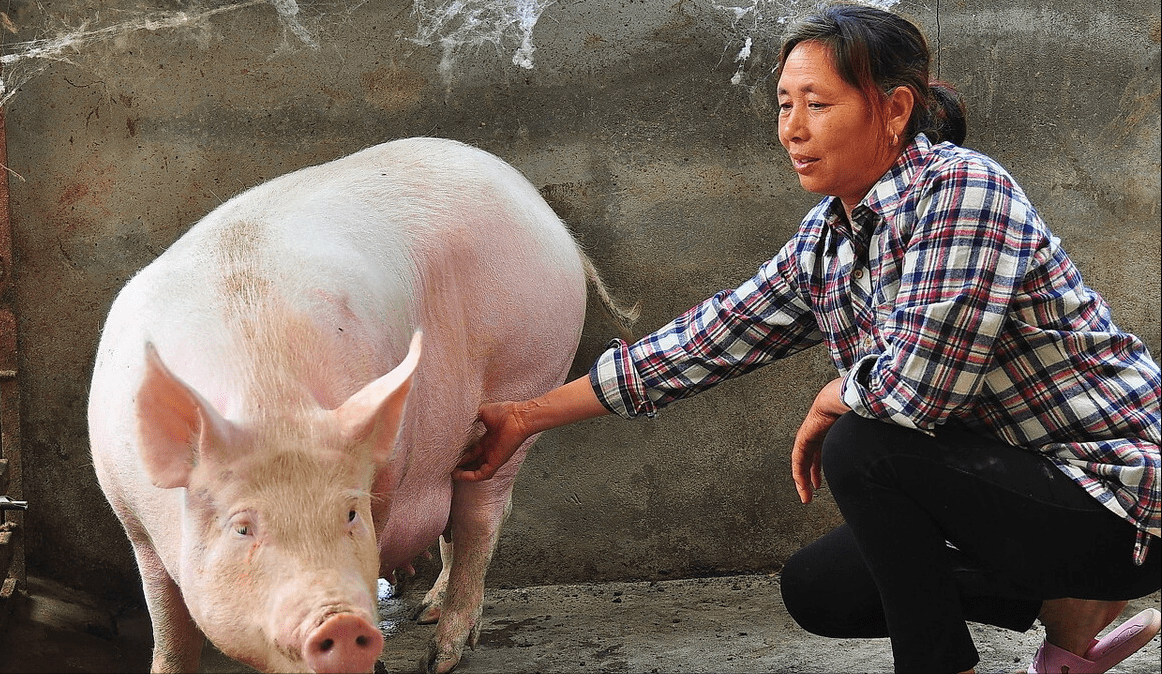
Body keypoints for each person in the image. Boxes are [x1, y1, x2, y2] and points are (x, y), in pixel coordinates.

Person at [452, 2, 1161, 673]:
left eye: (817, 105)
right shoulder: (826, 241)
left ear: (892, 110)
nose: (792, 129)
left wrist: (833, 395)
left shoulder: (963, 191)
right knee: (820, 589)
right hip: (1021, 495)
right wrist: (523, 416)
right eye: (785, 105)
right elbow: (705, 342)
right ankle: (1064, 605)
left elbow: (919, 394)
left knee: (865, 441)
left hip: (1118, 498)